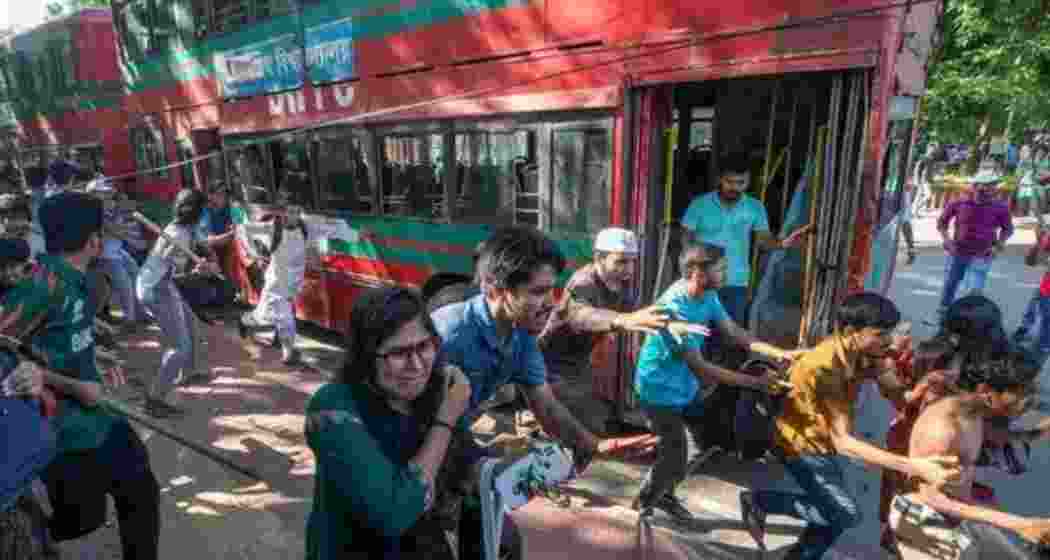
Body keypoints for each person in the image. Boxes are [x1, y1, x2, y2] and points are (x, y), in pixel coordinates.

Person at [740, 292, 962, 560]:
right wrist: (913, 466)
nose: (888, 341)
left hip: (823, 442)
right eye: (880, 334)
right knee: (845, 513)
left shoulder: (869, 351)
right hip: (799, 445)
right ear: (849, 331)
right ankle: (760, 501)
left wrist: (927, 385)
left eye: (889, 333)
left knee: (834, 514)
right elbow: (844, 442)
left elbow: (898, 396)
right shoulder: (824, 366)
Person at [0, 191, 160, 559]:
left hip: (97, 419)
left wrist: (94, 352)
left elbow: (57, 338)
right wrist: (71, 384)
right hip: (60, 428)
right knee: (82, 520)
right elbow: (10, 352)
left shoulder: (76, 279)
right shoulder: (41, 286)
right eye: (103, 231)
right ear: (93, 241)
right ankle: (24, 533)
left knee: (139, 489)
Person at [305, 287, 503, 560]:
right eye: (398, 353)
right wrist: (445, 419)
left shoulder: (436, 389)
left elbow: (466, 461)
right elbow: (394, 511)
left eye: (424, 346)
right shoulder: (333, 409)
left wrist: (513, 471)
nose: (416, 365)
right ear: (365, 356)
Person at [631, 242, 799, 522]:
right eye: (720, 269)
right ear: (697, 272)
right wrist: (755, 383)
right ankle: (643, 503)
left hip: (685, 388)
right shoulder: (673, 308)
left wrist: (779, 352)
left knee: (700, 445)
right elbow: (702, 368)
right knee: (674, 454)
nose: (726, 273)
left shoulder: (707, 295)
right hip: (657, 393)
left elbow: (733, 331)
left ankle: (665, 493)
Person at [890, 345, 1050, 559]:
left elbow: (1001, 437)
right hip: (920, 519)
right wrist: (1020, 524)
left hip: (955, 518)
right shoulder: (945, 428)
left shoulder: (974, 414)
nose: (1023, 406)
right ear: (986, 392)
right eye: (1019, 399)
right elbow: (931, 498)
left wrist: (1038, 433)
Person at [536, 227, 675, 433]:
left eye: (632, 261)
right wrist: (622, 319)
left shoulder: (622, 284)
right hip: (549, 364)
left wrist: (668, 325)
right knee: (583, 427)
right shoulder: (582, 283)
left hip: (579, 362)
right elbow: (582, 316)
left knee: (589, 421)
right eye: (621, 261)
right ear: (599, 257)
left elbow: (637, 318)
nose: (629, 268)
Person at [136, 188, 219, 417]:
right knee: (178, 347)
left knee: (191, 322)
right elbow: (179, 277)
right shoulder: (179, 235)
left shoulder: (182, 229)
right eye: (203, 211)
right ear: (196, 212)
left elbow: (194, 253)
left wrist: (205, 262)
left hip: (158, 283)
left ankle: (188, 372)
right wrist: (201, 272)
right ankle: (154, 399)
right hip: (157, 289)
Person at [238, 196, 308, 365]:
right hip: (276, 280)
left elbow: (327, 231)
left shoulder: (304, 226)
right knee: (279, 317)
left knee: (276, 315)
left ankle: (284, 348)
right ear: (283, 212)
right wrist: (254, 253)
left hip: (291, 281)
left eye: (298, 211)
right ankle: (287, 353)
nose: (295, 216)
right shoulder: (272, 227)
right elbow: (242, 229)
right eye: (291, 211)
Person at [936, 171, 1013, 317]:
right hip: (958, 252)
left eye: (994, 185)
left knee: (974, 291)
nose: (992, 189)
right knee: (951, 283)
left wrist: (998, 246)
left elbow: (1008, 229)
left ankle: (967, 319)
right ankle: (943, 312)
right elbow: (942, 223)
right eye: (988, 185)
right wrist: (947, 240)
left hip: (983, 255)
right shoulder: (958, 203)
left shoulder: (1000, 207)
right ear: (976, 186)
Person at [86, 178, 146, 327]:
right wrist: (129, 232)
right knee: (124, 285)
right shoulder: (94, 212)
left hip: (117, 251)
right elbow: (114, 230)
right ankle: (129, 320)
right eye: (102, 193)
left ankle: (140, 313)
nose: (107, 195)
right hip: (105, 255)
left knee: (136, 275)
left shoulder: (109, 208)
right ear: (94, 194)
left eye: (107, 193)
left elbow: (121, 228)